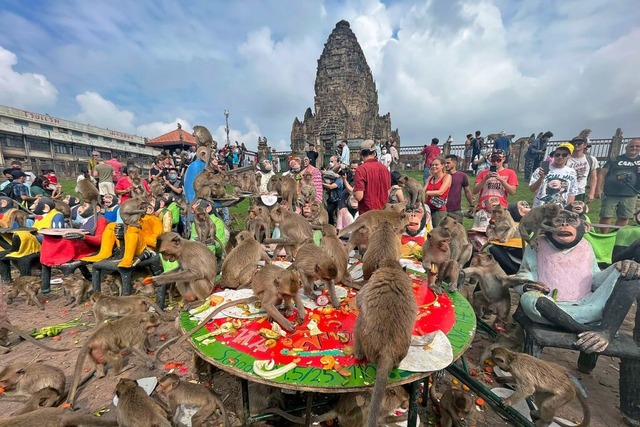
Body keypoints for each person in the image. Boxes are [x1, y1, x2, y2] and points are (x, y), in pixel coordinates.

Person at [514, 209, 640, 354]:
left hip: (589, 306)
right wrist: (527, 285)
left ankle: (605, 331)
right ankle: (586, 330)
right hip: (549, 309)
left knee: (629, 271)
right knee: (528, 298)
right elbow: (524, 274)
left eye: (571, 222)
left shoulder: (586, 246)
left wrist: (619, 268)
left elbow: (595, 278)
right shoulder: (537, 244)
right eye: (559, 222)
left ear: (585, 227)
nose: (564, 226)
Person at [596, 138, 640, 232]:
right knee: (606, 215)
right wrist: (598, 189)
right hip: (611, 193)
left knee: (624, 217)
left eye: (637, 146)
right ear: (626, 147)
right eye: (632, 146)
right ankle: (604, 236)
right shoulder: (615, 159)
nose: (634, 148)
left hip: (631, 194)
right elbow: (602, 174)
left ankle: (616, 236)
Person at [530, 142, 578, 208]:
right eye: (557, 154)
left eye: (564, 155)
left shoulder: (571, 172)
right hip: (540, 209)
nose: (560, 157)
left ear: (569, 156)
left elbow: (572, 193)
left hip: (560, 210)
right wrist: (541, 178)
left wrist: (567, 209)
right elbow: (532, 189)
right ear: (554, 155)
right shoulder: (542, 168)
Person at [472, 149, 518, 213]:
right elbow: (475, 191)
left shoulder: (510, 173)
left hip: (501, 208)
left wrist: (501, 180)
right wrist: (485, 179)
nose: (495, 162)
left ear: (503, 159)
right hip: (483, 208)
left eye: (498, 160)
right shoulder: (483, 173)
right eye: (493, 160)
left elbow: (512, 192)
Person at [353, 140, 390, 214]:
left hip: (368, 216)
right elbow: (388, 193)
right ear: (374, 153)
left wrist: (354, 192)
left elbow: (359, 196)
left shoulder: (361, 169)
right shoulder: (385, 169)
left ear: (361, 154)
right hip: (383, 213)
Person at [567, 137, 598, 203]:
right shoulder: (566, 159)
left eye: (579, 143)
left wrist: (592, 193)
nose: (576, 145)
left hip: (580, 191)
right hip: (566, 191)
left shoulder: (591, 159)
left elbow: (593, 178)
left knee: (577, 211)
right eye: (574, 143)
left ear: (585, 145)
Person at [444, 155, 474, 221]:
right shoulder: (442, 175)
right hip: (442, 209)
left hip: (455, 210)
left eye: (448, 163)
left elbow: (467, 191)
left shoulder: (462, 176)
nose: (446, 165)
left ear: (455, 163)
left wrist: (471, 204)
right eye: (445, 163)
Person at [424, 157, 451, 227]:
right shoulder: (430, 178)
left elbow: (440, 192)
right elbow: (423, 190)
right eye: (432, 165)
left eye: (436, 165)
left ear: (442, 166)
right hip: (427, 208)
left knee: (438, 231)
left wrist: (426, 193)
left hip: (438, 210)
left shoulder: (447, 177)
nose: (434, 166)